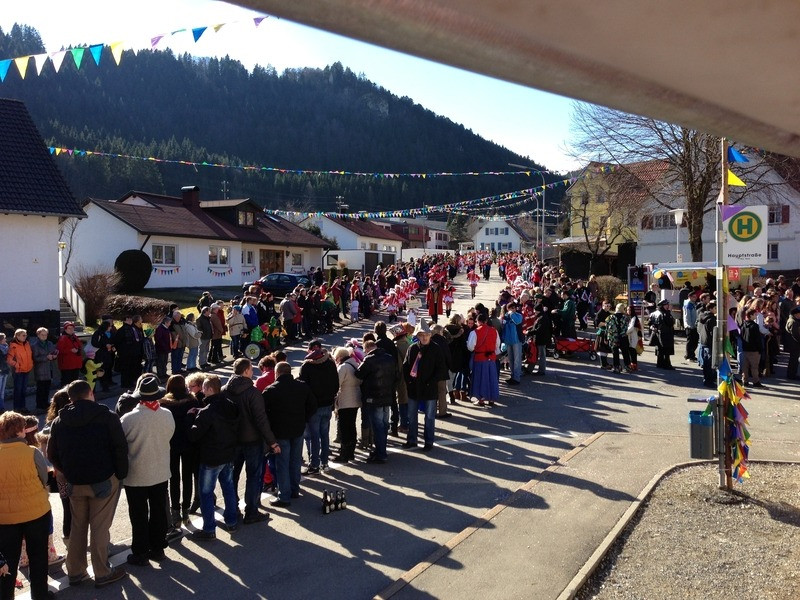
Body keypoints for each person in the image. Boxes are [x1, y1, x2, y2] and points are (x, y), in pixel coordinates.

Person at [47, 380, 129, 588]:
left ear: (70, 398)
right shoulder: (107, 417)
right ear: (90, 393)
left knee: (78, 526)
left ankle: (75, 571)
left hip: (75, 480)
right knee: (100, 527)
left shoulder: (59, 421)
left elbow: (51, 454)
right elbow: (120, 448)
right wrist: (120, 474)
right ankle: (102, 572)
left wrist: (66, 470)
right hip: (103, 478)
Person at [119, 374, 175, 566]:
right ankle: (158, 547)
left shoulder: (128, 419)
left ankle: (140, 551)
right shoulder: (167, 414)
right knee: (159, 511)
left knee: (138, 514)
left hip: (136, 474)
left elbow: (121, 444)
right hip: (160, 470)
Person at [0, 411, 54, 600]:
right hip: (36, 512)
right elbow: (44, 478)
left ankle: (6, 596)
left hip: (5, 518)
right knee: (38, 557)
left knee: (8, 560)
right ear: (20, 431)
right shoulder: (32, 452)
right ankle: (40, 595)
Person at [187, 375, 241, 540]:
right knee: (228, 488)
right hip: (228, 454)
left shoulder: (207, 412)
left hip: (211, 457)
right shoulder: (231, 405)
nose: (202, 391)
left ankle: (209, 529)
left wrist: (191, 418)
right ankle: (232, 522)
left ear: (210, 389)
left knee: (206, 493)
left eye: (204, 388)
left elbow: (194, 435)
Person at [226, 358, 279, 525]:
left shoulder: (225, 390)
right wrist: (272, 442)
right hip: (252, 440)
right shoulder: (253, 393)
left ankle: (233, 509)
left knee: (232, 476)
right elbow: (261, 420)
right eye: (251, 369)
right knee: (253, 476)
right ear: (246, 371)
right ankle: (251, 511)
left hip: (233, 440)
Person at [263, 362, 317, 507]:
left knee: (282, 464)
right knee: (295, 461)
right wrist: (304, 419)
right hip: (297, 429)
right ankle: (294, 489)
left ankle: (284, 496)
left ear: (277, 373)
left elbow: (263, 413)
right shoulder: (302, 387)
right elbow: (312, 406)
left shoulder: (271, 390)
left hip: (280, 432)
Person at [160, 375, 201, 524]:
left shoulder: (164, 404)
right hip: (189, 443)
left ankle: (175, 511)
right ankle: (186, 511)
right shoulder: (192, 401)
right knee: (187, 477)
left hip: (171, 444)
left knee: (174, 478)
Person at [403, 319, 446, 451]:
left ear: (430, 335)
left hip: (429, 388)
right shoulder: (412, 348)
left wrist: (431, 382)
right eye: (421, 335)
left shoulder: (436, 349)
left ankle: (429, 441)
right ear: (418, 336)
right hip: (414, 387)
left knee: (429, 416)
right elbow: (405, 367)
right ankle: (412, 439)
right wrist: (409, 382)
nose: (424, 337)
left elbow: (441, 369)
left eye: (426, 335)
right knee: (411, 415)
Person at [298, 340, 339, 474]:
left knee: (313, 437)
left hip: (314, 406)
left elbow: (303, 387)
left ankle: (314, 464)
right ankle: (324, 462)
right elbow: (336, 384)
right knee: (324, 435)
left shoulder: (307, 366)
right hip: (327, 404)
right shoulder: (330, 363)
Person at [355, 339, 398, 463]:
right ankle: (381, 449)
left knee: (378, 426)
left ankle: (381, 453)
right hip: (387, 396)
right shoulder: (389, 358)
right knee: (384, 424)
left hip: (374, 397)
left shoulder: (369, 360)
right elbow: (396, 376)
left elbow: (358, 374)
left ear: (367, 349)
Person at [331, 347, 361, 463]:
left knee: (344, 428)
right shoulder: (355, 365)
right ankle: (351, 453)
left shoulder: (343, 367)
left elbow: (336, 384)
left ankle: (344, 454)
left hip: (345, 400)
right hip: (356, 399)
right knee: (351, 426)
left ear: (339, 357)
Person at [467, 313, 501, 407]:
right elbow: (497, 345)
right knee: (491, 378)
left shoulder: (475, 332)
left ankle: (481, 400)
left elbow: (470, 347)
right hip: (491, 358)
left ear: (477, 321)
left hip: (480, 358)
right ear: (486, 321)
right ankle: (492, 399)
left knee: (480, 379)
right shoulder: (494, 331)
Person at [30, 328, 57, 415]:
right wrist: (46, 357)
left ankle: (45, 404)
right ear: (38, 335)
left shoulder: (50, 343)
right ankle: (39, 406)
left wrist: (54, 356)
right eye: (42, 335)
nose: (44, 336)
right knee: (40, 388)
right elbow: (35, 358)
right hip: (40, 369)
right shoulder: (35, 345)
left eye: (45, 335)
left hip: (49, 369)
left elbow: (53, 352)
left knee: (47, 387)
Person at [6, 329, 33, 414]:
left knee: (23, 390)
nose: (25, 337)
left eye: (26, 335)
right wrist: (17, 364)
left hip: (27, 369)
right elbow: (9, 360)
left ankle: (23, 407)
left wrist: (31, 363)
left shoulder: (27, 344)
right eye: (23, 335)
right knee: (18, 390)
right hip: (19, 371)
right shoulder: (13, 345)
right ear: (17, 336)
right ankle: (17, 409)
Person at [740, 308, 764, 388]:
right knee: (754, 367)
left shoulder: (743, 325)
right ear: (751, 315)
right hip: (754, 349)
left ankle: (745, 381)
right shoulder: (755, 326)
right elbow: (757, 339)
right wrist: (760, 349)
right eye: (755, 315)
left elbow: (741, 336)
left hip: (745, 348)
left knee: (745, 366)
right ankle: (756, 381)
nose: (756, 316)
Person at [649, 299, 676, 369]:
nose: (668, 306)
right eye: (666, 305)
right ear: (662, 305)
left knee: (659, 349)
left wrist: (653, 328)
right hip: (665, 333)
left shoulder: (654, 313)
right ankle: (667, 364)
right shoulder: (665, 313)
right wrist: (669, 312)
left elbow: (650, 323)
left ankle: (660, 363)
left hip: (658, 333)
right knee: (666, 349)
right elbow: (670, 323)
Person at [501, 301, 523, 385]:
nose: (513, 309)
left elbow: (517, 321)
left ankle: (516, 378)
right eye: (511, 308)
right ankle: (513, 376)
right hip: (508, 341)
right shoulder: (505, 317)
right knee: (511, 359)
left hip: (516, 341)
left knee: (517, 360)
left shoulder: (518, 315)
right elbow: (503, 328)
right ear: (507, 309)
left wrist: (512, 314)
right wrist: (503, 340)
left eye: (514, 308)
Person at [606, 303, 631, 373]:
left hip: (614, 338)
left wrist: (606, 338)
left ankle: (617, 367)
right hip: (623, 337)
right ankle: (627, 366)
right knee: (625, 352)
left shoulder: (610, 317)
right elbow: (627, 327)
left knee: (615, 353)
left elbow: (607, 329)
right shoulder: (626, 317)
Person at [697, 301, 717, 388]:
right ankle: (709, 380)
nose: (716, 310)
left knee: (706, 362)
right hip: (709, 342)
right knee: (709, 363)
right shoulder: (711, 319)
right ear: (711, 309)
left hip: (703, 341)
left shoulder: (702, 316)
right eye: (715, 308)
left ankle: (706, 379)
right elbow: (713, 332)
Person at [531, 303, 552, 376]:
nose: (534, 312)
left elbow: (539, 329)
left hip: (542, 339)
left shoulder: (542, 318)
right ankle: (540, 370)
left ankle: (541, 371)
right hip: (541, 338)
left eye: (535, 311)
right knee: (541, 355)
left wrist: (530, 332)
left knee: (542, 355)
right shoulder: (541, 316)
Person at [683, 291, 699, 362]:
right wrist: (690, 325)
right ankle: (689, 355)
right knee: (690, 342)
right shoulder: (688, 304)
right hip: (690, 326)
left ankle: (692, 355)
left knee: (694, 341)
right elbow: (687, 316)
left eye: (696, 297)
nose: (695, 298)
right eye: (693, 297)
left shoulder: (693, 304)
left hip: (694, 325)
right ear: (689, 297)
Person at [785, 306, 800, 380]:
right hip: (794, 344)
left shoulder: (794, 320)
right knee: (793, 360)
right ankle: (791, 375)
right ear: (795, 314)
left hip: (794, 343)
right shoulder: (793, 322)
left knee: (794, 360)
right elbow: (795, 334)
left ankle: (792, 374)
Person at [196, 306, 213, 370]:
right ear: (205, 311)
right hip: (203, 337)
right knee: (202, 350)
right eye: (209, 311)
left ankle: (205, 362)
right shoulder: (200, 319)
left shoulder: (207, 318)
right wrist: (202, 333)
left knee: (206, 350)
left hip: (208, 336)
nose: (210, 312)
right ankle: (201, 363)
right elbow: (199, 328)